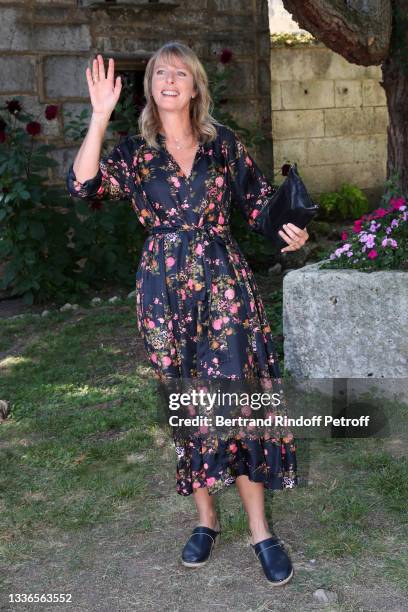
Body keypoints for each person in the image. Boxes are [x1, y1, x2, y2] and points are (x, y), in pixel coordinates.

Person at [66, 41, 309, 586]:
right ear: (150, 87)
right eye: (159, 73)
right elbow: (82, 186)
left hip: (225, 286)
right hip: (162, 291)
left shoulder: (224, 146)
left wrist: (290, 227)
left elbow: (259, 207)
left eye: (180, 73)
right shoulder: (132, 152)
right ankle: (205, 521)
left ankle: (260, 531)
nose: (169, 80)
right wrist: (100, 116)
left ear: (196, 87)